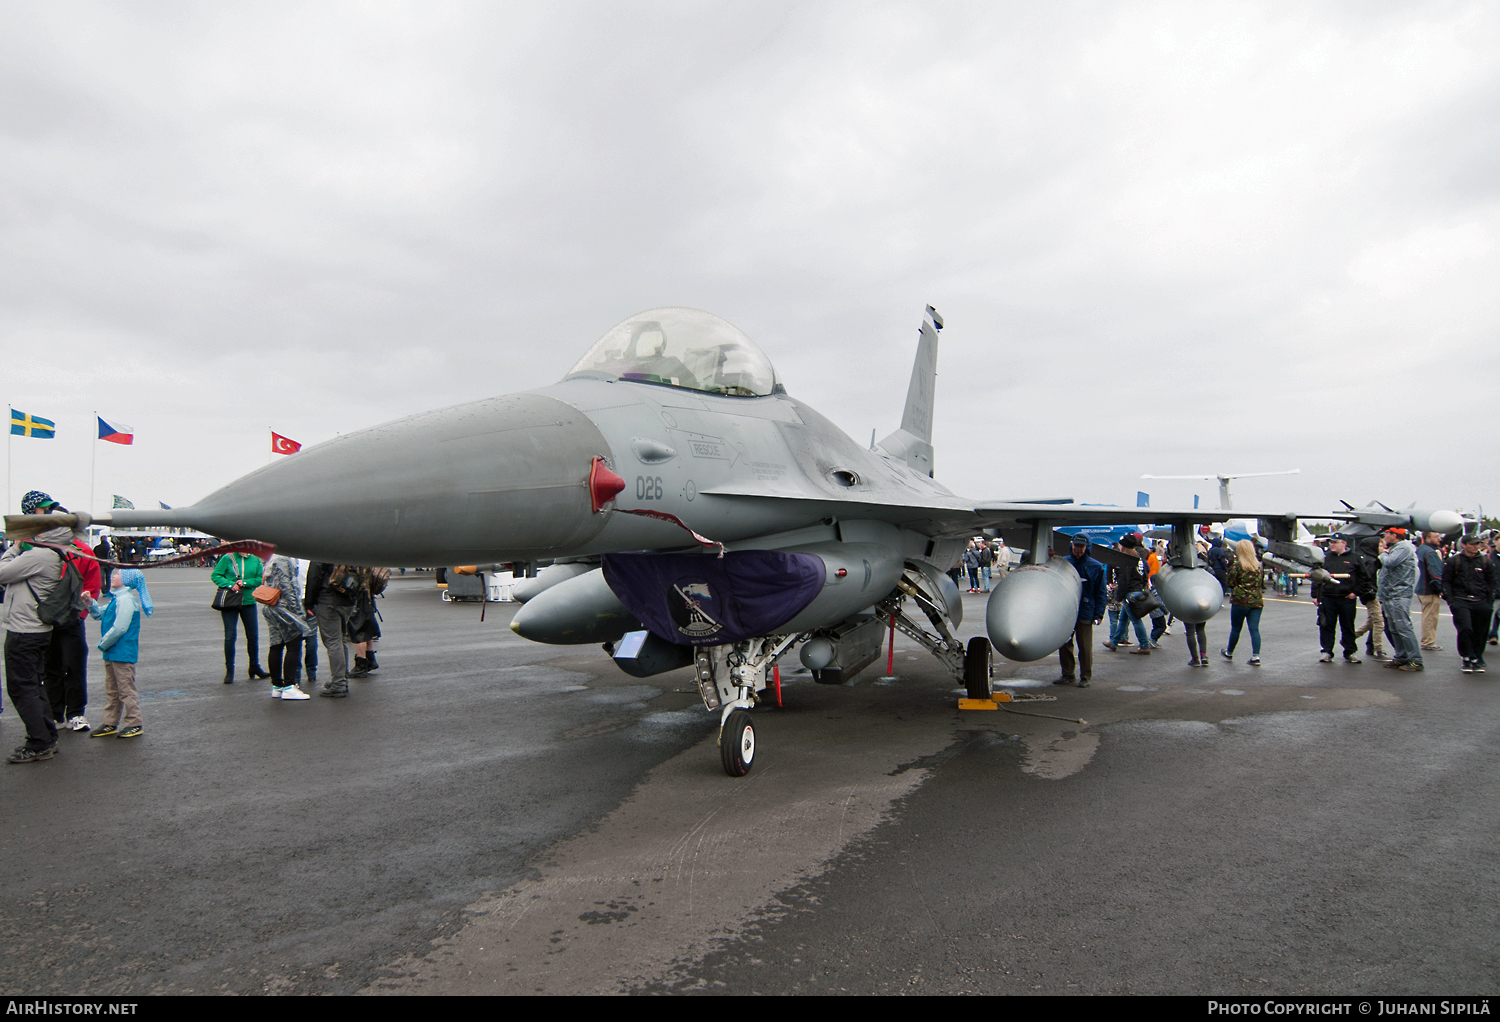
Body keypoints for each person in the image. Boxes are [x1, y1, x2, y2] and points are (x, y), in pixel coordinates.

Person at [0, 496, 74, 763]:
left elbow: (2, 573)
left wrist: (14, 548)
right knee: (34, 685)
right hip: (36, 629)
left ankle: (39, 742)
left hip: (24, 630)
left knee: (22, 688)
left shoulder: (40, 556)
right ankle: (46, 737)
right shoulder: (54, 554)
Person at [85, 568, 150, 737]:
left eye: (118, 574)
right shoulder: (118, 598)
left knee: (126, 688)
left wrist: (103, 644)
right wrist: (90, 603)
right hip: (113, 651)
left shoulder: (126, 600)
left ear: (127, 580)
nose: (113, 576)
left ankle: (134, 722)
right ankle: (110, 722)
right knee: (112, 688)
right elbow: (100, 614)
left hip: (121, 651)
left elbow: (120, 627)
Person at [211, 548, 270, 683]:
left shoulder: (255, 559)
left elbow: (258, 579)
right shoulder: (228, 557)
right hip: (231, 601)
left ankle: (254, 666)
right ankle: (229, 670)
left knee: (253, 636)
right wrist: (230, 584)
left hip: (248, 601)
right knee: (230, 636)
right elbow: (216, 575)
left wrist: (244, 583)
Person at [1314, 534, 1373, 664]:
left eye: (1335, 542)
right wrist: (1315, 595)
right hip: (1328, 597)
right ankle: (1327, 651)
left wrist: (1355, 593)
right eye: (1331, 542)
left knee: (1348, 626)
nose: (1332, 545)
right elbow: (1316, 575)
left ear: (1344, 543)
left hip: (1346, 598)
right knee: (1326, 625)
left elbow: (1364, 578)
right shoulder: (1324, 558)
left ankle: (1350, 651)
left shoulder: (1355, 558)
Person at [1443, 534, 1497, 674]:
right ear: (1464, 545)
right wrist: (1451, 601)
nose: (1475, 546)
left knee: (1481, 632)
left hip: (1481, 601)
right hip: (1461, 600)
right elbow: (1446, 581)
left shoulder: (1485, 562)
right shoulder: (1454, 561)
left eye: (1478, 544)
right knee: (1465, 628)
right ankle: (1467, 657)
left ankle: (1477, 657)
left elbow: (1492, 582)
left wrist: (1489, 602)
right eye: (1472, 544)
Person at [1057, 534, 1106, 686]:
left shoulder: (1096, 567)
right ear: (1071, 546)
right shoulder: (1063, 563)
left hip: (1086, 610)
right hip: (1067, 610)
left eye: (1081, 547)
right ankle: (1068, 673)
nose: (1078, 550)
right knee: (1064, 644)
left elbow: (1101, 592)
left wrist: (1099, 613)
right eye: (1076, 546)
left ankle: (1085, 676)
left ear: (1087, 548)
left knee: (1085, 646)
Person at [261, 554, 311, 700]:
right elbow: (288, 587)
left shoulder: (272, 559)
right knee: (294, 645)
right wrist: (298, 612)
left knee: (276, 645)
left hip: (271, 605)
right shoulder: (283, 560)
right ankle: (289, 685)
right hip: (284, 607)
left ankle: (277, 685)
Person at [305, 562, 355, 698]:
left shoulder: (322, 551)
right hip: (348, 598)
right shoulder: (348, 549)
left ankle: (339, 683)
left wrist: (309, 602)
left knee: (333, 641)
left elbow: (314, 578)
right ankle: (342, 677)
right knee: (341, 639)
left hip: (328, 600)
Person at [1377, 528, 1423, 673]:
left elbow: (1390, 562)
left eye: (1386, 534)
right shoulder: (1396, 548)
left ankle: (1415, 660)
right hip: (1389, 594)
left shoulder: (1403, 547)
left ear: (1394, 535)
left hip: (1399, 594)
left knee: (1403, 627)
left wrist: (1383, 553)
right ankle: (1401, 656)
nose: (1384, 537)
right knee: (1394, 628)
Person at [1104, 536, 1153, 654]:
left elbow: (1124, 580)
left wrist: (1119, 597)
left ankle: (1144, 645)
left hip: (1129, 592)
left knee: (1136, 620)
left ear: (1124, 546)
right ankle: (1114, 642)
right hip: (1137, 590)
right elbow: (1146, 573)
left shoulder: (1126, 560)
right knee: (1123, 619)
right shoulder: (1139, 558)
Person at [1221, 538, 1264, 665]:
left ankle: (1229, 652)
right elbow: (1260, 584)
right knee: (1254, 629)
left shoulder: (1236, 567)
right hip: (1256, 601)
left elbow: (1230, 583)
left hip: (1240, 601)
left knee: (1236, 628)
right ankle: (1256, 656)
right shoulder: (1258, 567)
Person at [1352, 534, 1388, 662]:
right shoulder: (1370, 561)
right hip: (1371, 595)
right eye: (1379, 545)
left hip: (1371, 594)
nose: (1382, 548)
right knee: (1379, 622)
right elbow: (1367, 579)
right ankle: (1378, 649)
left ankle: (1350, 638)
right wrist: (1371, 593)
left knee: (1371, 622)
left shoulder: (1370, 559)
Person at [1417, 532, 1446, 651]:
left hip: (1422, 588)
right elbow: (1436, 573)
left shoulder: (1421, 549)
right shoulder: (1430, 552)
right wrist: (1441, 588)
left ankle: (1428, 640)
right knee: (1431, 617)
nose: (1439, 538)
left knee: (1427, 615)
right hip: (1429, 589)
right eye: (1436, 536)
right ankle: (1428, 642)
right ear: (1427, 538)